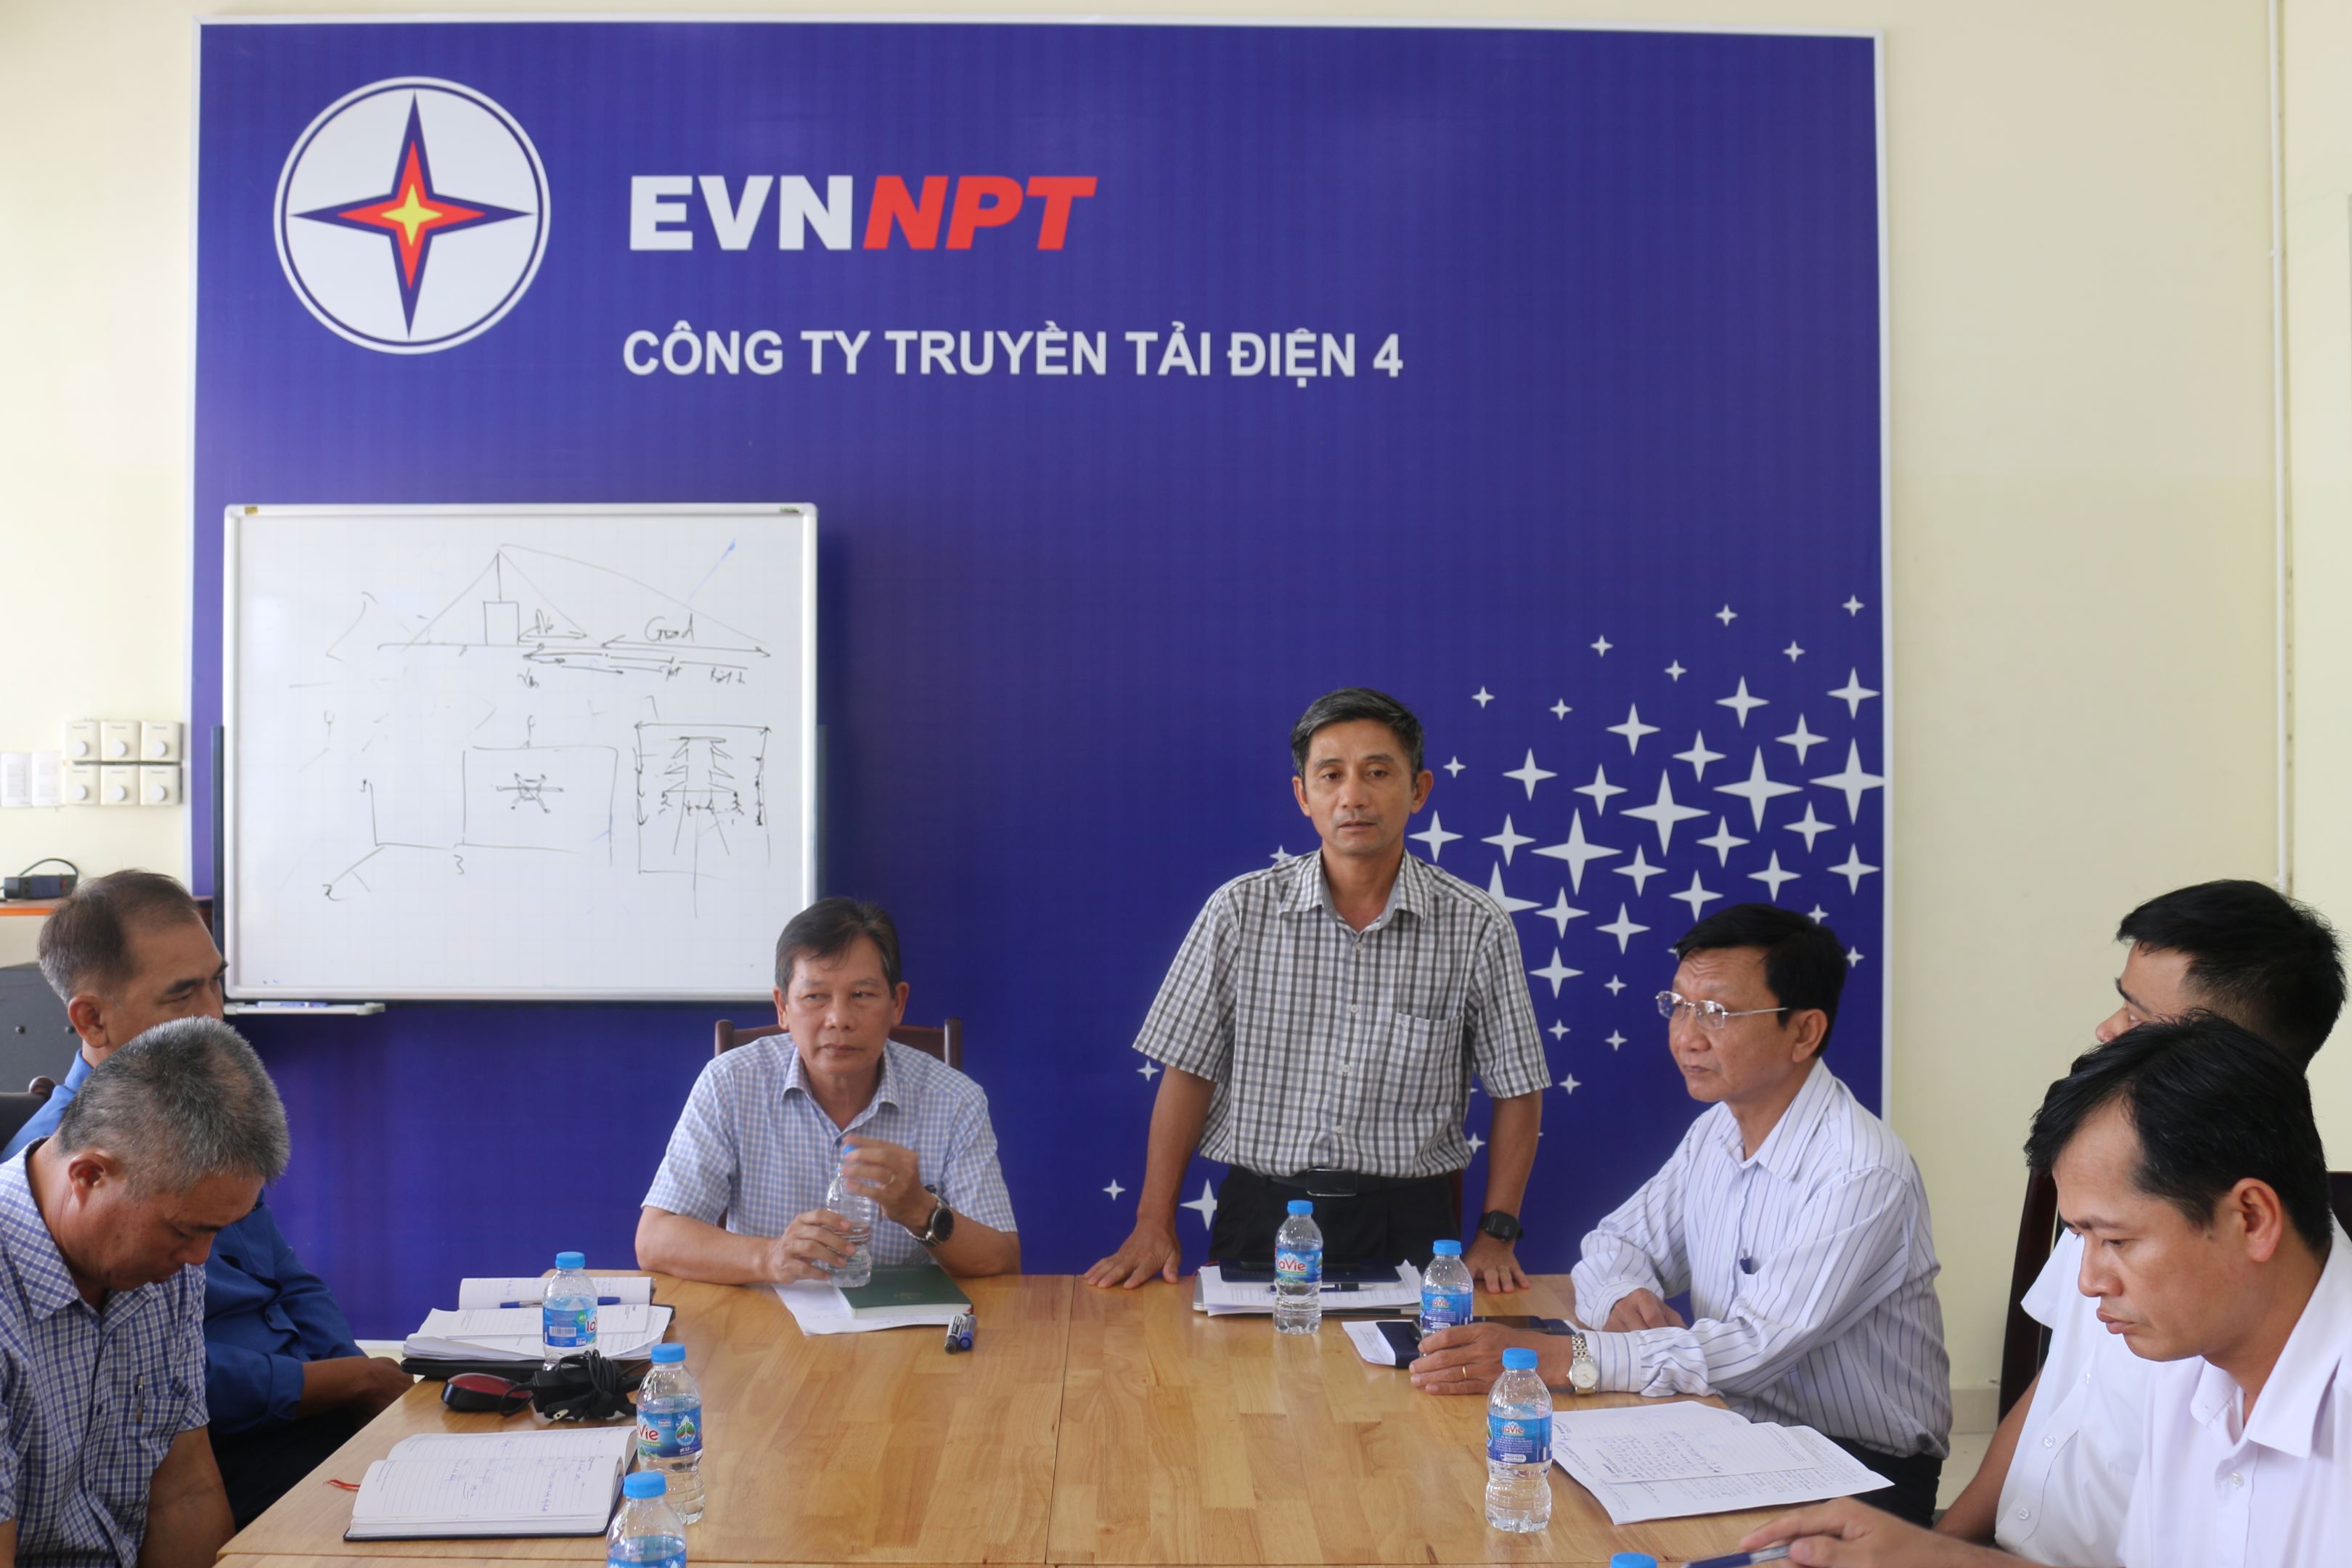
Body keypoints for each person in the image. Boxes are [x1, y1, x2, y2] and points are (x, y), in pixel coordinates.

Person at [1408, 903, 1951, 1526]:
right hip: (1729, 1426)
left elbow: (1755, 1347)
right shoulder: (1716, 1130)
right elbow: (1613, 1243)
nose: (1687, 1036)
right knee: (1511, 1483)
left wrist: (1568, 1356)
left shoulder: (1861, 1170)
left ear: (1804, 1032)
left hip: (1858, 1469)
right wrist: (1621, 1295)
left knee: (1565, 1517)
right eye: (1679, 1006)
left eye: (1716, 1012)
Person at [1741, 1016, 2350, 1566]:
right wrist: (1931, 1557)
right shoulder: (2190, 1361)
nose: (2088, 1282)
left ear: (2251, 1219)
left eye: (2116, 1240)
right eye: (2081, 1238)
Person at [1085, 687, 1551, 1291]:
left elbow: (1518, 1089)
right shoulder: (1240, 911)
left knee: (1416, 1358)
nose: (1353, 796)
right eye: (1331, 775)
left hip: (1411, 1224)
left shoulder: (1477, 925)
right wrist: (1154, 1222)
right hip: (1263, 1216)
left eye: (1377, 773)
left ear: (1419, 790)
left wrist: (1497, 1234)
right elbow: (1188, 1071)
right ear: (1303, 795)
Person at [1934, 879, 2343, 1563]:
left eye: (2140, 1016)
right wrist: (1934, 1549)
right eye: (2085, 1237)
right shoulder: (2188, 1330)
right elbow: (2059, 1390)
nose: (2107, 1030)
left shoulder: (2216, 1322)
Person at [21, 870, 409, 1526]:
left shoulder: (205, 1115)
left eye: (215, 983)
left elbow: (288, 1279)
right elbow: (144, 1377)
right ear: (91, 1018)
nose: (213, 1015)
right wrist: (342, 1383)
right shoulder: (65, 1181)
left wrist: (359, 1379)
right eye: (182, 994)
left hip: (310, 1412)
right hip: (232, 1444)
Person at [0, 1016, 290, 1564]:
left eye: (215, 1232)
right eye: (184, 1231)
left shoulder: (164, 1269)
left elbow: (184, 1491)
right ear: (89, 1175)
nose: (199, 1258)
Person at [637, 897, 1019, 1281]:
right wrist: (768, 1257)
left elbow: (1002, 1261)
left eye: (862, 995)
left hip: (902, 1319)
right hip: (765, 1315)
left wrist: (922, 1210)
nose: (839, 1019)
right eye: (815, 997)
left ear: (897, 1003)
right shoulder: (731, 1083)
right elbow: (655, 1239)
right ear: (782, 1007)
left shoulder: (955, 1100)